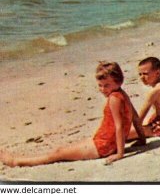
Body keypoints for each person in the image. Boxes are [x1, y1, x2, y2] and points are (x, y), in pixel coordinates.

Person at [1, 62, 145, 167]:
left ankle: (16, 161)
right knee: (63, 150)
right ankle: (19, 158)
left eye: (106, 85)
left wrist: (120, 153)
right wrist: (142, 138)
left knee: (58, 154)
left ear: (119, 81)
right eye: (100, 85)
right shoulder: (122, 93)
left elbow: (120, 126)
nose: (102, 89)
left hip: (104, 146)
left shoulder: (114, 99)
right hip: (104, 140)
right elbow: (135, 117)